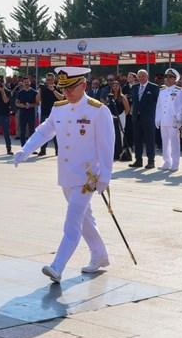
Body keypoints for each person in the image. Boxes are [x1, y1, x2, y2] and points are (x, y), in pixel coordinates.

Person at [12, 67, 113, 283]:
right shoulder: (59, 109)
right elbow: (44, 131)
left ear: (83, 85)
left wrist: (105, 175)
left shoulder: (98, 110)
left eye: (70, 88)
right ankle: (100, 255)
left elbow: (106, 146)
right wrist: (26, 150)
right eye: (63, 88)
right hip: (67, 175)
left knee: (72, 221)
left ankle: (57, 266)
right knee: (85, 219)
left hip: (88, 177)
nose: (66, 93)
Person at [154, 68, 182, 171]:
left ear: (175, 79)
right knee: (165, 142)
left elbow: (180, 106)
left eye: (170, 77)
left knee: (174, 142)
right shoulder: (162, 90)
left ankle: (175, 163)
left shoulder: (179, 91)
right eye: (166, 77)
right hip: (164, 119)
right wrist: (157, 118)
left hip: (173, 120)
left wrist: (179, 120)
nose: (167, 79)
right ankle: (167, 161)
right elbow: (159, 106)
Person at [130, 69, 158, 168]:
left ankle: (151, 161)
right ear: (137, 77)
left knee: (149, 140)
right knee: (137, 140)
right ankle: (138, 160)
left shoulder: (154, 87)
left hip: (148, 118)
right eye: (140, 76)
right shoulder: (134, 87)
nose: (141, 78)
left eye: (143, 76)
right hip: (136, 118)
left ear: (147, 77)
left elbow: (157, 103)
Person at [37, 74, 62, 157]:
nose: (49, 81)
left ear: (54, 80)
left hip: (56, 114)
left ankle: (58, 151)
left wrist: (53, 90)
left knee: (57, 134)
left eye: (50, 80)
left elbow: (62, 98)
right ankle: (43, 150)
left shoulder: (58, 88)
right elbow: (37, 100)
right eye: (47, 80)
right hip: (45, 113)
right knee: (44, 133)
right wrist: (39, 91)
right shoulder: (42, 88)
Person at [107, 78, 132, 162]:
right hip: (112, 117)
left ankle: (120, 152)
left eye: (117, 85)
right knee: (112, 134)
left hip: (120, 116)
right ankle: (114, 152)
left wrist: (122, 116)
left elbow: (127, 109)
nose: (115, 87)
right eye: (113, 86)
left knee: (121, 134)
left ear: (119, 87)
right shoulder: (109, 97)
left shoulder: (122, 97)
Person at [14, 76, 37, 147]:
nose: (26, 83)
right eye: (25, 82)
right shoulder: (20, 92)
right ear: (23, 83)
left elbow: (37, 103)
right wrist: (21, 105)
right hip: (22, 113)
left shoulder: (34, 92)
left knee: (31, 131)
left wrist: (30, 105)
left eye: (27, 82)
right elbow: (16, 102)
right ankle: (23, 147)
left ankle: (32, 147)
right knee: (22, 131)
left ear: (30, 82)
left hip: (31, 113)